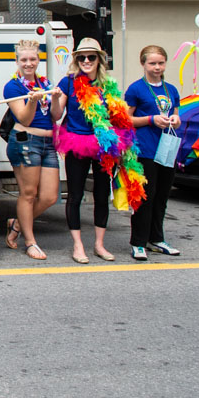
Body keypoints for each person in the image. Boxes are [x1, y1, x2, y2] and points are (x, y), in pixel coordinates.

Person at [52, 38, 132, 264]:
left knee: (100, 195)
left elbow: (118, 117)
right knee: (75, 195)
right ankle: (78, 245)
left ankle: (99, 244)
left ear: (99, 60)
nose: (86, 61)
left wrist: (120, 144)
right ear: (76, 60)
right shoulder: (68, 82)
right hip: (77, 142)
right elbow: (56, 115)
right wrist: (56, 100)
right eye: (81, 57)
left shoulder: (109, 85)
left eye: (91, 57)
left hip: (103, 145)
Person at [2, 39, 58, 261]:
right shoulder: (13, 86)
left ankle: (16, 224)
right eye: (23, 60)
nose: (28, 64)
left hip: (48, 142)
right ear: (17, 61)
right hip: (25, 140)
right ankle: (30, 241)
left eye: (32, 59)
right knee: (28, 193)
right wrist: (33, 101)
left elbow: (55, 116)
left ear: (38, 60)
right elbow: (24, 118)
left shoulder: (45, 83)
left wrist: (56, 99)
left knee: (49, 197)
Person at [125, 45, 182, 261]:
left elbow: (176, 117)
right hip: (145, 150)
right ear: (143, 64)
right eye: (152, 63)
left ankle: (156, 239)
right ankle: (138, 242)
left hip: (167, 149)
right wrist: (150, 119)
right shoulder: (135, 89)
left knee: (162, 197)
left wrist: (175, 120)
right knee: (145, 197)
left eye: (160, 63)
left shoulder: (171, 90)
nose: (157, 67)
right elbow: (126, 120)